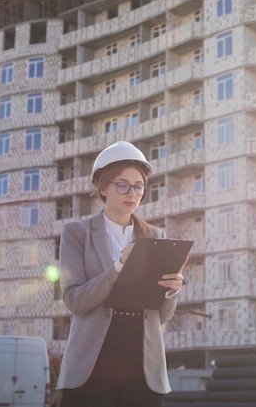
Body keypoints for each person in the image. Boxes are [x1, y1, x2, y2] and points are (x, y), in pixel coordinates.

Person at [56, 141, 186, 407]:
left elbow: (159, 315)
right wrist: (117, 268)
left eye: (138, 186)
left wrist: (171, 291)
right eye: (122, 184)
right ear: (103, 187)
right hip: (93, 362)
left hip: (142, 364)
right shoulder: (76, 233)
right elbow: (74, 300)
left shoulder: (156, 237)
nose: (132, 193)